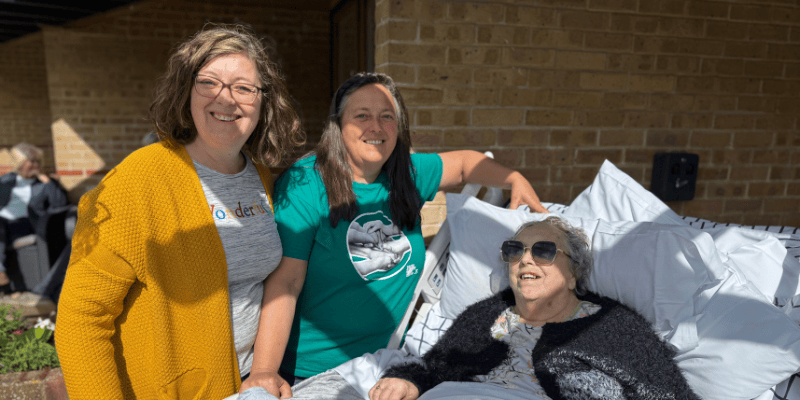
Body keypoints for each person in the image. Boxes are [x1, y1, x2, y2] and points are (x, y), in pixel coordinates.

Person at [241, 72, 550, 398]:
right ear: (338, 124)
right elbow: (285, 282)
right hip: (310, 372)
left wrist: (514, 178)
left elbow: (464, 164)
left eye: (387, 117)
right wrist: (264, 371)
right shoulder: (305, 185)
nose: (375, 127)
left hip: (385, 367)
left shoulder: (407, 174)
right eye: (362, 116)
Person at [55, 24, 304, 399]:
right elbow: (81, 319)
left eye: (243, 87)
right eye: (209, 82)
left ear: (263, 101)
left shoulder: (261, 177)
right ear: (186, 91)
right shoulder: (137, 180)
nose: (227, 98)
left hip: (246, 385)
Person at [367, 217, 700, 400]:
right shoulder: (484, 315)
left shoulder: (614, 326)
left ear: (573, 274)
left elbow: (669, 393)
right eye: (515, 250)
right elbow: (433, 367)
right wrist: (407, 381)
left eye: (543, 251)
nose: (525, 258)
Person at [0, 142, 69, 292]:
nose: (35, 165)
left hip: (24, 224)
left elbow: (60, 203)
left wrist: (47, 181)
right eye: (31, 161)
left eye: (37, 161)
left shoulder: (43, 183)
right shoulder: (6, 181)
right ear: (20, 164)